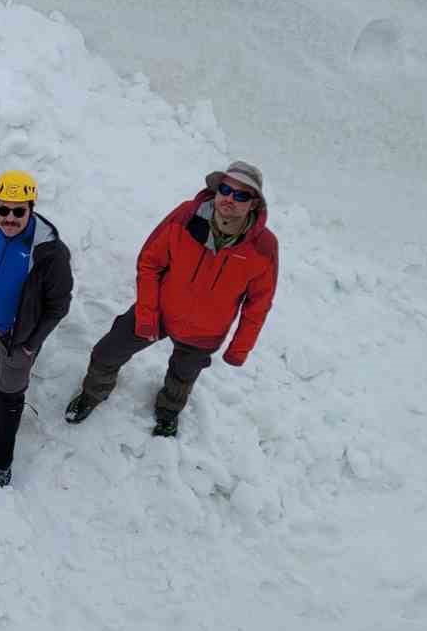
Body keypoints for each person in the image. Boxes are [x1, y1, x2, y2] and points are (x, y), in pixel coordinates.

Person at [65, 161, 278, 437]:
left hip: (205, 331)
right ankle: (93, 394)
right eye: (225, 189)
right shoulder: (186, 217)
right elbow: (150, 263)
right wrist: (146, 314)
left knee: (182, 377)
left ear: (254, 204)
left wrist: (240, 348)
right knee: (108, 351)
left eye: (241, 195)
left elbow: (258, 305)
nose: (229, 198)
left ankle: (168, 412)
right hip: (160, 311)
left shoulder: (263, 247)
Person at [0, 171, 73, 487]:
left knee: (11, 399)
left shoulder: (49, 252)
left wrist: (32, 343)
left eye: (19, 211)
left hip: (18, 340)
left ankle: (2, 460)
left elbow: (58, 305)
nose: (10, 218)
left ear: (31, 209)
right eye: (4, 209)